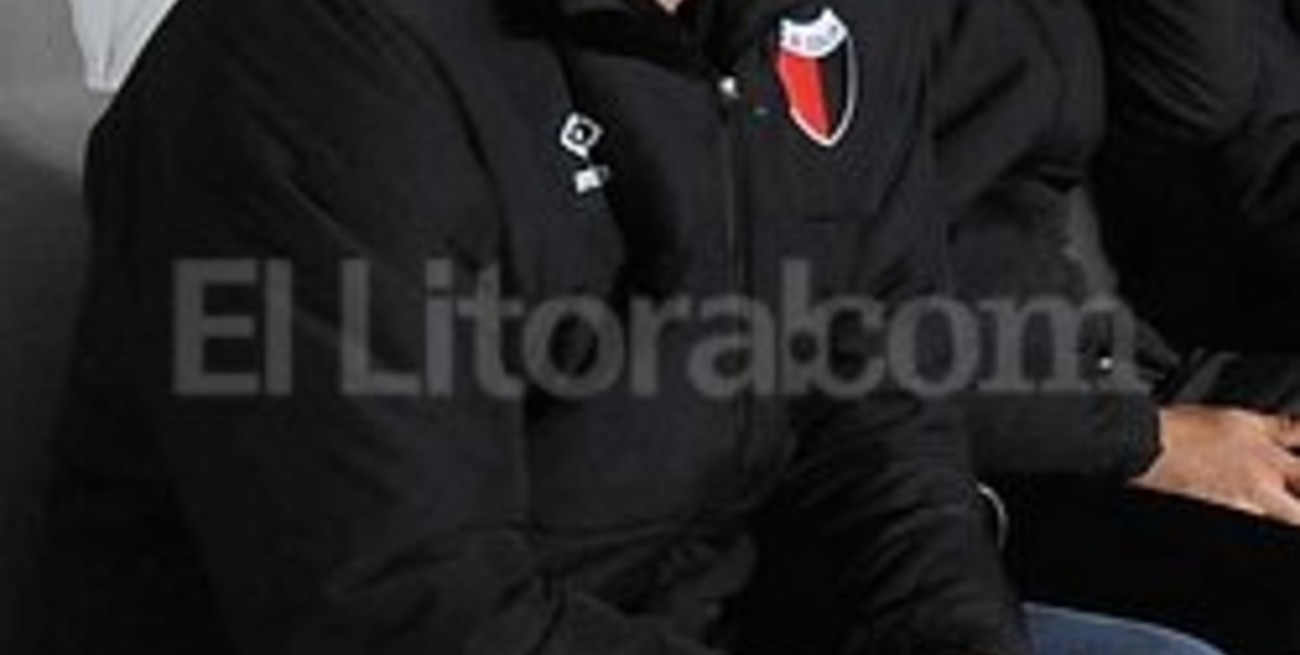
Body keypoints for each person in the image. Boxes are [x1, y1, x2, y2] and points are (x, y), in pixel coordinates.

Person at [28, 0, 1228, 654]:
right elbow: (399, 607)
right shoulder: (312, 60)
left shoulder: (834, 26)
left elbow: (878, 409)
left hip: (708, 606)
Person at [934, 0, 1300, 652]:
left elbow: (1243, 122)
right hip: (1004, 446)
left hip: (1114, 373)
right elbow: (837, 335)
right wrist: (1142, 438)